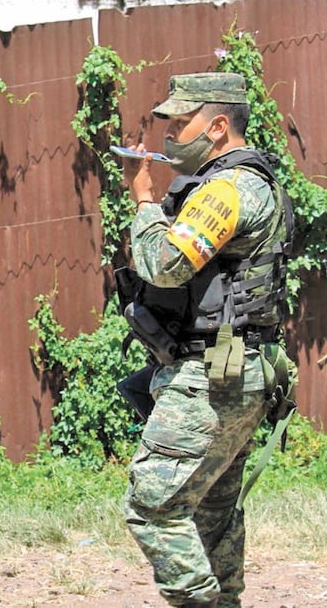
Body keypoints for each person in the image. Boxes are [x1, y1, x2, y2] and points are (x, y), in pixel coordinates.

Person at [120, 72, 294, 608]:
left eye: (180, 122)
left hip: (212, 375)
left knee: (153, 505)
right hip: (233, 367)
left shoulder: (226, 189)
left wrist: (145, 205)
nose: (169, 135)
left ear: (218, 126)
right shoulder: (243, 182)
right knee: (211, 511)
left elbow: (166, 265)